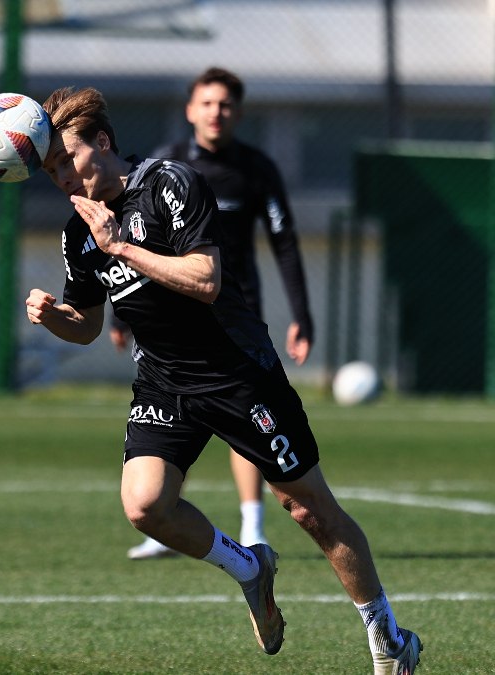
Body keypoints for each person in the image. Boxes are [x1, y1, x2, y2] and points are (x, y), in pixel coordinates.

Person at [24, 85, 421, 674]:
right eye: (51, 168)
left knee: (310, 509)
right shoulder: (77, 232)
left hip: (238, 374)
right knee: (145, 506)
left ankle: (387, 635)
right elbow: (87, 325)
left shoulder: (168, 184)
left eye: (67, 159)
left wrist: (121, 245)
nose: (61, 176)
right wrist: (57, 316)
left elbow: (205, 278)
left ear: (102, 143)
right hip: (164, 384)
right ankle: (250, 568)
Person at [123, 66, 315, 560]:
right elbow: (130, 243)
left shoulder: (256, 168)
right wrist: (124, 319)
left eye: (226, 104)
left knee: (241, 418)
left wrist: (302, 314)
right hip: (169, 322)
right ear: (190, 110)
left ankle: (253, 526)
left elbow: (285, 242)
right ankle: (165, 519)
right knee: (173, 411)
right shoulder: (163, 167)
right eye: (207, 103)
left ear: (239, 113)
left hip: (235, 315)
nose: (216, 112)